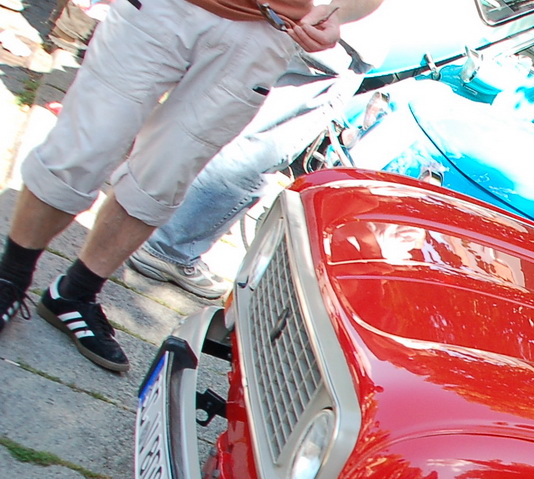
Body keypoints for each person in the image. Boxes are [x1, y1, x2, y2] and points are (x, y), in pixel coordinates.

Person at [0, 0, 381, 372]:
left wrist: (337, 12)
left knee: (165, 176)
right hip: (161, 10)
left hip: (264, 31)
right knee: (85, 145)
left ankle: (76, 293)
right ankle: (11, 278)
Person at [127, 40, 373, 299]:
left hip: (325, 35)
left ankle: (158, 225)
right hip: (343, 42)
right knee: (258, 150)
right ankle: (168, 248)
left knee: (243, 124)